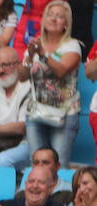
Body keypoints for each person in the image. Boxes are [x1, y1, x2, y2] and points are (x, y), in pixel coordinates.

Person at [20, 0, 80, 168]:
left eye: (59, 16)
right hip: (36, 113)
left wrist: (43, 54)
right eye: (50, 15)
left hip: (65, 114)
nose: (54, 19)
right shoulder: (36, 44)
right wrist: (30, 56)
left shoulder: (72, 45)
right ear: (43, 20)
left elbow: (61, 71)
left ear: (66, 23)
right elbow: (22, 76)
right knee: (36, 165)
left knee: (58, 166)